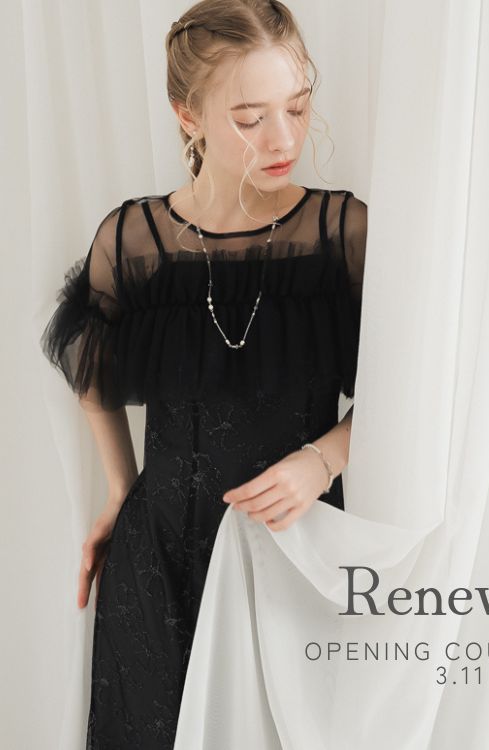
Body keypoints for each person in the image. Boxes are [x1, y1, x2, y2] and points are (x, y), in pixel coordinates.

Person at [38, 1, 367, 747]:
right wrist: (120, 489)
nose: (284, 138)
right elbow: (88, 360)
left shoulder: (342, 233)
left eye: (297, 106)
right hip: (155, 561)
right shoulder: (133, 239)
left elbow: (414, 389)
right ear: (188, 116)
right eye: (250, 118)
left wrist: (324, 460)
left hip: (294, 551)